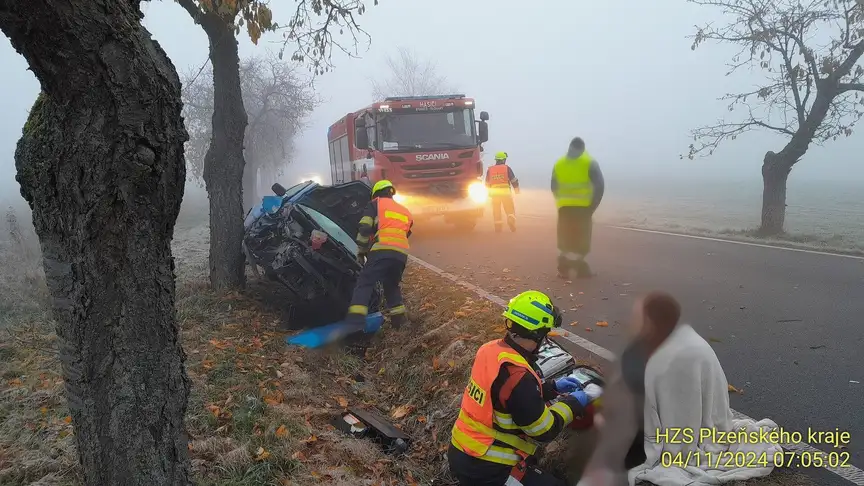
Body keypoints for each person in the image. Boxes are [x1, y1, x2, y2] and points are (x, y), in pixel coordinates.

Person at [447, 290, 592, 486]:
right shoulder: (519, 377)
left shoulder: (490, 350)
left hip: (462, 450)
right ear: (538, 333)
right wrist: (574, 403)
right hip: (488, 470)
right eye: (545, 333)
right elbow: (543, 430)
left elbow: (504, 395)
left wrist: (551, 387)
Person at [345, 180, 414, 327]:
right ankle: (400, 322)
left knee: (365, 282)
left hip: (382, 250)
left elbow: (364, 227)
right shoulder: (404, 210)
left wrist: (362, 251)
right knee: (391, 285)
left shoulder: (375, 204)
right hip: (401, 254)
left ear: (375, 194)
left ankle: (355, 321)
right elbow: (406, 233)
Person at [551, 137, 604, 279]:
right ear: (583, 148)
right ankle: (581, 269)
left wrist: (560, 201)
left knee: (565, 238)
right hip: (583, 208)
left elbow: (554, 186)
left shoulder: (559, 163)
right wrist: (593, 206)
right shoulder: (590, 163)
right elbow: (599, 187)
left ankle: (563, 267)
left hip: (564, 208)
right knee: (581, 239)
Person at [485, 151, 520, 232]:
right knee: (509, 208)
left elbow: (487, 183)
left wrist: (488, 193)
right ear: (503, 160)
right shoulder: (507, 168)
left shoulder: (490, 170)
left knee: (496, 211)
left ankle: (498, 228)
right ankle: (510, 218)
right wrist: (516, 190)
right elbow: (513, 180)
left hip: (494, 194)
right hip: (505, 193)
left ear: (496, 160)